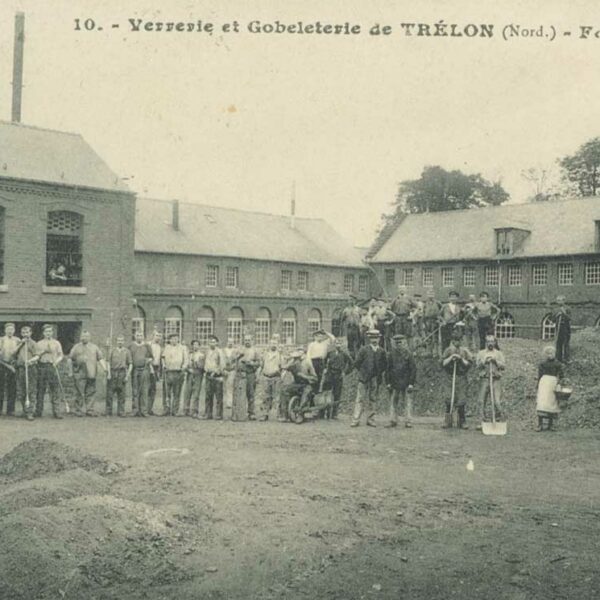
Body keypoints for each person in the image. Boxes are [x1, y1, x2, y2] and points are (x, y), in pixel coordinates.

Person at [351, 329, 387, 427]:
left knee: (373, 399)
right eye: (372, 338)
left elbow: (384, 365)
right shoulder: (363, 350)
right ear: (369, 339)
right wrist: (363, 372)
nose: (374, 340)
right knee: (360, 399)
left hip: (375, 379)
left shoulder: (382, 351)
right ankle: (356, 419)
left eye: (376, 338)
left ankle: (371, 419)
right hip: (364, 378)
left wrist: (378, 374)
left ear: (379, 339)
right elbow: (357, 363)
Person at [69, 330, 107, 417]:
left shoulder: (95, 347)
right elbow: (70, 359)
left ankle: (90, 410)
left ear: (89, 337)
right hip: (79, 374)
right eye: (83, 336)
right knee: (79, 392)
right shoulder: (76, 347)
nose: (84, 338)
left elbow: (100, 358)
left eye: (86, 336)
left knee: (91, 392)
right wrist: (70, 371)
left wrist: (104, 368)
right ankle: (78, 410)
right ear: (80, 337)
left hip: (91, 373)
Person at [440, 328, 473, 429]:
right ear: (452, 341)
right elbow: (442, 363)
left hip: (461, 377)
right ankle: (448, 420)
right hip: (450, 378)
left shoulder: (465, 351)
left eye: (459, 340)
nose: (457, 342)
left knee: (461, 399)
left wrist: (461, 359)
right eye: (455, 340)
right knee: (449, 398)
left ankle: (462, 421)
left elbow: (469, 364)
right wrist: (451, 357)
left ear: (461, 340)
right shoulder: (448, 350)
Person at [385, 334, 417, 428]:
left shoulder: (409, 354)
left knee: (407, 402)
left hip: (406, 382)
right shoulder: (391, 354)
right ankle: (393, 420)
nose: (399, 344)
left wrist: (411, 383)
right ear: (394, 343)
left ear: (404, 343)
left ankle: (408, 421)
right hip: (394, 383)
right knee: (393, 402)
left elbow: (413, 369)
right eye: (397, 343)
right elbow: (388, 369)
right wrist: (388, 382)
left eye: (401, 342)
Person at [475, 334, 505, 429]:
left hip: (496, 379)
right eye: (488, 341)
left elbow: (503, 366)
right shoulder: (481, 353)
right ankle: (481, 421)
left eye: (492, 341)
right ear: (486, 343)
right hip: (484, 379)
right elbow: (477, 366)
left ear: (495, 342)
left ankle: (497, 420)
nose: (490, 343)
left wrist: (496, 361)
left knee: (497, 401)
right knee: (481, 401)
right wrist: (484, 361)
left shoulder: (499, 353)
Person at [35, 324, 64, 419]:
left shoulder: (57, 343)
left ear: (52, 332)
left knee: (55, 389)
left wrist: (57, 361)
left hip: (52, 366)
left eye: (50, 331)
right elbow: (36, 356)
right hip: (42, 367)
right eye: (46, 331)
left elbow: (61, 355)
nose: (48, 333)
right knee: (40, 390)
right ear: (43, 333)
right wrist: (42, 352)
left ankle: (57, 412)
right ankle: (38, 411)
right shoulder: (38, 343)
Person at [280, 349, 318, 421]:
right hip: (297, 384)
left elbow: (315, 378)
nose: (295, 360)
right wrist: (286, 360)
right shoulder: (293, 364)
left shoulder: (307, 363)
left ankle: (301, 413)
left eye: (297, 357)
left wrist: (304, 376)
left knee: (306, 394)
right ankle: (285, 414)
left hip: (306, 384)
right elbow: (284, 367)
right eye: (294, 358)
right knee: (284, 390)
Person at [535, 346, 565, 432]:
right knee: (542, 402)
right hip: (544, 383)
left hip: (553, 383)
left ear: (554, 354)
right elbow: (539, 375)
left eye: (551, 353)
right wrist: (538, 384)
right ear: (545, 354)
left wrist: (559, 384)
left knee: (551, 403)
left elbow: (561, 375)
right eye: (548, 353)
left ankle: (550, 425)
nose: (549, 355)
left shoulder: (558, 364)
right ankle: (540, 424)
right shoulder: (542, 364)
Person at [13, 325, 40, 421]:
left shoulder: (33, 343)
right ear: (21, 334)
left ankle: (30, 412)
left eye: (27, 332)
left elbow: (37, 356)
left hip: (31, 368)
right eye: (23, 333)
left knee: (31, 390)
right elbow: (13, 353)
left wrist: (30, 361)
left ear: (30, 333)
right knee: (21, 391)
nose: (25, 334)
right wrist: (21, 344)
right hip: (21, 369)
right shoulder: (19, 343)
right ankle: (25, 410)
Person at [323, 338, 353, 419]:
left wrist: (345, 372)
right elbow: (324, 361)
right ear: (334, 344)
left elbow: (351, 364)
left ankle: (334, 414)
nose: (338, 345)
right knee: (327, 393)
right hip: (329, 375)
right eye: (336, 343)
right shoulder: (330, 353)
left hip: (338, 376)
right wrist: (325, 368)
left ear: (342, 345)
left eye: (340, 343)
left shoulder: (344, 354)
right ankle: (325, 412)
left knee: (337, 394)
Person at [256, 338, 284, 421]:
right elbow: (261, 366)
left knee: (277, 397)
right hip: (266, 377)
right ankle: (264, 414)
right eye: (272, 343)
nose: (273, 345)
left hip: (276, 378)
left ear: (277, 345)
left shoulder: (280, 355)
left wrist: (281, 377)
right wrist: (258, 376)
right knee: (265, 397)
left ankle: (279, 415)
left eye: (275, 343)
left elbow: (282, 368)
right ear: (269, 345)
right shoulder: (265, 355)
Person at [162, 333, 189, 416]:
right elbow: (162, 358)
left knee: (177, 392)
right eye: (172, 339)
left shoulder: (182, 348)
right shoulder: (167, 347)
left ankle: (175, 410)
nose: (174, 340)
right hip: (168, 372)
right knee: (166, 392)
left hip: (178, 372)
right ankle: (166, 409)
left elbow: (186, 360)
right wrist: (164, 365)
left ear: (178, 339)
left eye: (176, 338)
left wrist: (183, 367)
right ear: (170, 340)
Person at [106, 335, 132, 417]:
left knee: (121, 393)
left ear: (123, 341)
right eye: (118, 340)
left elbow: (130, 364)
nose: (120, 342)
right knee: (110, 393)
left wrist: (127, 375)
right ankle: (108, 411)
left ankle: (121, 411)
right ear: (116, 341)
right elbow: (108, 362)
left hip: (122, 373)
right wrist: (109, 373)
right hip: (113, 372)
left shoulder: (127, 351)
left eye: (121, 340)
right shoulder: (112, 350)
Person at [129, 330, 153, 417]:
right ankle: (135, 410)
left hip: (145, 370)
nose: (139, 337)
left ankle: (144, 410)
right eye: (137, 335)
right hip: (135, 370)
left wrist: (148, 360)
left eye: (141, 335)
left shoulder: (147, 346)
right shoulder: (131, 346)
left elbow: (151, 357)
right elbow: (129, 358)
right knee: (135, 390)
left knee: (144, 390)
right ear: (135, 336)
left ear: (143, 336)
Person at [237, 335, 261, 420]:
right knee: (240, 393)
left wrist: (251, 363)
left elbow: (259, 363)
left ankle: (251, 412)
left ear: (252, 340)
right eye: (245, 340)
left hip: (250, 374)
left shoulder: (255, 351)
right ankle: (241, 412)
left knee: (251, 393)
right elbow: (235, 360)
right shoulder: (240, 350)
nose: (247, 341)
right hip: (241, 374)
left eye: (249, 340)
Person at [202, 335, 225, 420]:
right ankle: (208, 413)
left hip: (217, 376)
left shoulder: (220, 352)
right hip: (208, 375)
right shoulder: (207, 352)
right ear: (208, 343)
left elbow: (222, 364)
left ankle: (219, 414)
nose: (212, 343)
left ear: (217, 343)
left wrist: (216, 372)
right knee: (208, 395)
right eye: (211, 342)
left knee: (218, 396)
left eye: (214, 342)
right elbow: (205, 362)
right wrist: (206, 371)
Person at [0, 322, 20, 416]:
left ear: (14, 330)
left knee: (12, 388)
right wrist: (7, 365)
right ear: (5, 330)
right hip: (2, 365)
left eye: (12, 329)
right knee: (1, 387)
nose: (10, 331)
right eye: (8, 329)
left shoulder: (17, 340)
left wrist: (15, 363)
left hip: (13, 366)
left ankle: (10, 410)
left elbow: (20, 354)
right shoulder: (1, 340)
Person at [183, 339, 205, 417]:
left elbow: (202, 367)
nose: (195, 346)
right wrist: (188, 369)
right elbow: (185, 364)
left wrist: (197, 364)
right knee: (187, 392)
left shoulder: (201, 355)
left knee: (196, 393)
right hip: (190, 374)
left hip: (198, 375)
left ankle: (194, 410)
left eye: (197, 345)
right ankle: (186, 409)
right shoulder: (189, 355)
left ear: (199, 346)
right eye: (194, 345)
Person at [550, 295, 571, 363]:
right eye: (557, 300)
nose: (558, 302)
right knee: (558, 343)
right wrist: (557, 315)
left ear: (564, 301)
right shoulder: (555, 309)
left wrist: (564, 313)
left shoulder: (568, 308)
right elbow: (552, 320)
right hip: (558, 329)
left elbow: (569, 318)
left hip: (566, 328)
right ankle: (558, 358)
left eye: (560, 300)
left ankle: (566, 358)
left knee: (566, 343)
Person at [147, 330, 163, 415]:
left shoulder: (159, 347)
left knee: (153, 389)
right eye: (157, 335)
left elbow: (159, 359)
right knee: (147, 388)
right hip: (148, 368)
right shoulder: (148, 345)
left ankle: (150, 408)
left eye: (160, 336)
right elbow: (147, 358)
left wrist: (158, 372)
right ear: (153, 336)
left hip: (156, 368)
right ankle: (144, 408)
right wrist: (151, 369)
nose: (158, 337)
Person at [423, 291, 441, 357]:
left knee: (435, 337)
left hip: (435, 321)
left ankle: (435, 353)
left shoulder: (438, 303)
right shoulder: (425, 304)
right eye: (429, 294)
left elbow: (441, 312)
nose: (430, 295)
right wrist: (423, 323)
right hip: (427, 322)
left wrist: (439, 320)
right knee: (428, 337)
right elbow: (423, 313)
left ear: (434, 295)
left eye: (432, 294)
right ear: (427, 295)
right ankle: (428, 352)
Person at [222, 337, 238, 412]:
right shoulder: (223, 351)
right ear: (227, 342)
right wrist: (223, 369)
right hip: (224, 370)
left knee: (230, 385)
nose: (230, 343)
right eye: (229, 342)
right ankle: (225, 401)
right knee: (224, 386)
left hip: (232, 370)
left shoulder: (235, 351)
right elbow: (221, 361)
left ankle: (230, 402)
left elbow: (236, 362)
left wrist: (234, 368)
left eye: (232, 342)